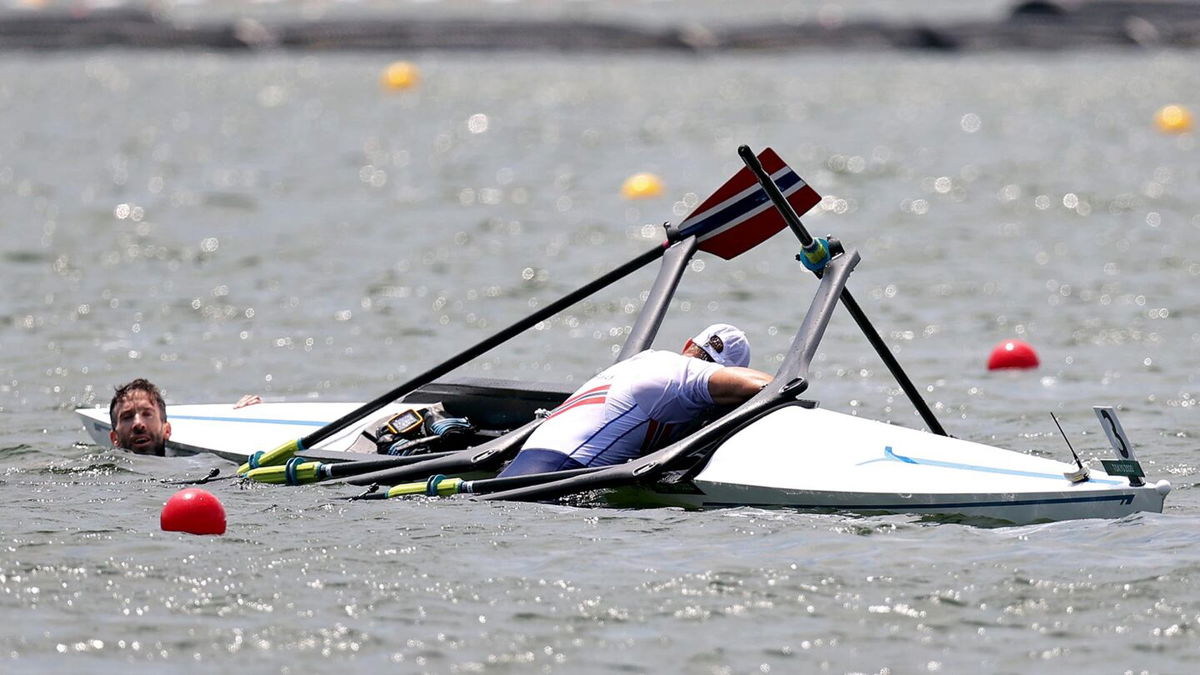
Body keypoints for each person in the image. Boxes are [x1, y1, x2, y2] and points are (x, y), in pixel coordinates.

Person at [498, 323, 773, 477]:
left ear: (688, 344)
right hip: (556, 475)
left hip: (521, 466)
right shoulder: (683, 376)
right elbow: (768, 385)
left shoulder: (643, 361)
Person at [108, 378, 261, 456]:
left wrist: (247, 416)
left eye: (147, 414)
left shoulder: (197, 461)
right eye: (127, 417)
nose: (138, 424)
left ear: (166, 430)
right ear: (114, 438)